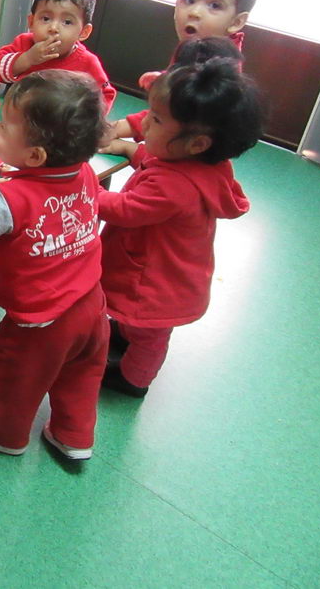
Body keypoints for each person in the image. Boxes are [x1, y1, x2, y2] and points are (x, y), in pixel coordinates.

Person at [0, 71, 110, 466]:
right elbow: (51, 194)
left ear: (35, 157)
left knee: (10, 380)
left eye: (6, 125)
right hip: (92, 304)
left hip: (41, 323)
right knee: (81, 375)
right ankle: (74, 435)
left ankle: (3, 433)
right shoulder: (83, 172)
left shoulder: (8, 200)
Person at [98, 59, 263, 398]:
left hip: (158, 284)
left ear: (197, 143)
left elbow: (125, 211)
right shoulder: (200, 163)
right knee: (137, 325)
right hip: (162, 268)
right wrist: (131, 150)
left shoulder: (175, 186)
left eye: (155, 120)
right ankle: (126, 333)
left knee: (150, 336)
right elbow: (155, 160)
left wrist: (87, 190)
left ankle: (133, 380)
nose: (144, 123)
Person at [110, 0, 261, 140]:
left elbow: (173, 114)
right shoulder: (197, 46)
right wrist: (165, 78)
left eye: (214, 5)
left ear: (236, 22)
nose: (195, 12)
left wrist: (118, 129)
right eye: (189, 0)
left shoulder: (221, 66)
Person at [0, 0, 116, 112]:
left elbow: (105, 96)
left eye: (67, 22)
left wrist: (83, 122)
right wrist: (27, 58)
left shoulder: (88, 63)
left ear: (84, 32)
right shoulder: (24, 43)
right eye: (46, 18)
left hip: (59, 127)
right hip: (18, 117)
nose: (54, 28)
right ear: (31, 22)